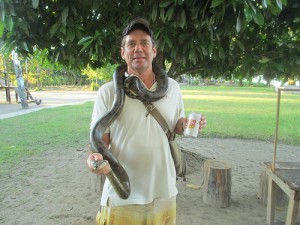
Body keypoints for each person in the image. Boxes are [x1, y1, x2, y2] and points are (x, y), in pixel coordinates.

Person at [87, 18, 206, 225]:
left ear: (154, 51)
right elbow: (99, 141)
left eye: (144, 43)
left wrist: (186, 125)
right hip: (122, 197)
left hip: (163, 190)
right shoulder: (107, 93)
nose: (138, 48)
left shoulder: (173, 88)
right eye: (131, 44)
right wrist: (94, 159)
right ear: (123, 52)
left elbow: (176, 126)